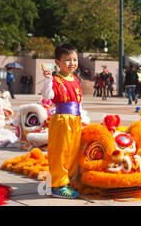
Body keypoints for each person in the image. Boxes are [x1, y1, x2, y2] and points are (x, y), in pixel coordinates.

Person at [40, 43, 83, 199]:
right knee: (61, 152)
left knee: (73, 152)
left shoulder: (75, 79)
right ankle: (58, 185)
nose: (72, 63)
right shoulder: (56, 79)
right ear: (57, 62)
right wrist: (47, 80)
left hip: (75, 120)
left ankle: (69, 181)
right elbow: (47, 96)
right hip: (62, 120)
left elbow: (78, 101)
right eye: (67, 60)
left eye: (75, 59)